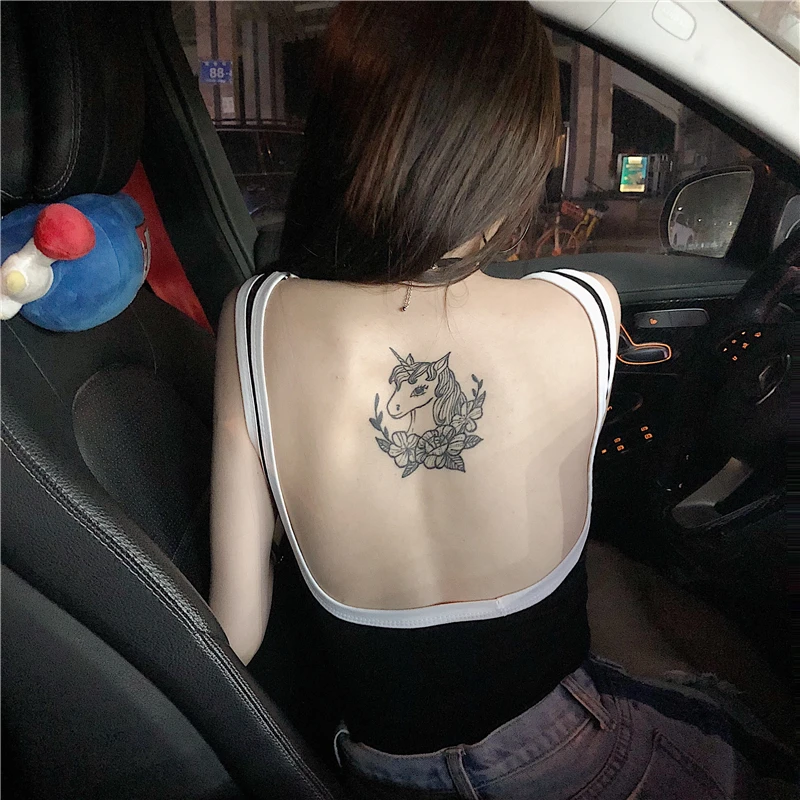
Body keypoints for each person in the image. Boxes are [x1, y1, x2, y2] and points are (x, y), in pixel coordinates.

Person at [209, 3, 795, 798]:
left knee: (610, 570)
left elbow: (234, 632)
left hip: (379, 768)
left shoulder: (255, 315)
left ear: (346, 135)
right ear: (519, 149)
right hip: (570, 755)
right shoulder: (586, 306)